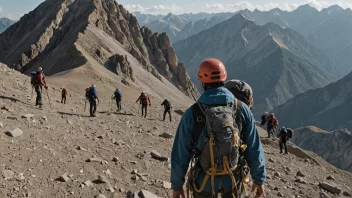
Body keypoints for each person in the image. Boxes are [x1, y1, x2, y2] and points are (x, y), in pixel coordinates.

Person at [171, 58, 266, 198]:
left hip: (204, 179)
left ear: (202, 82)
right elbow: (254, 147)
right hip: (233, 178)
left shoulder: (192, 113)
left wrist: (177, 185)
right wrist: (259, 179)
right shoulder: (242, 109)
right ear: (224, 78)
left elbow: (180, 153)